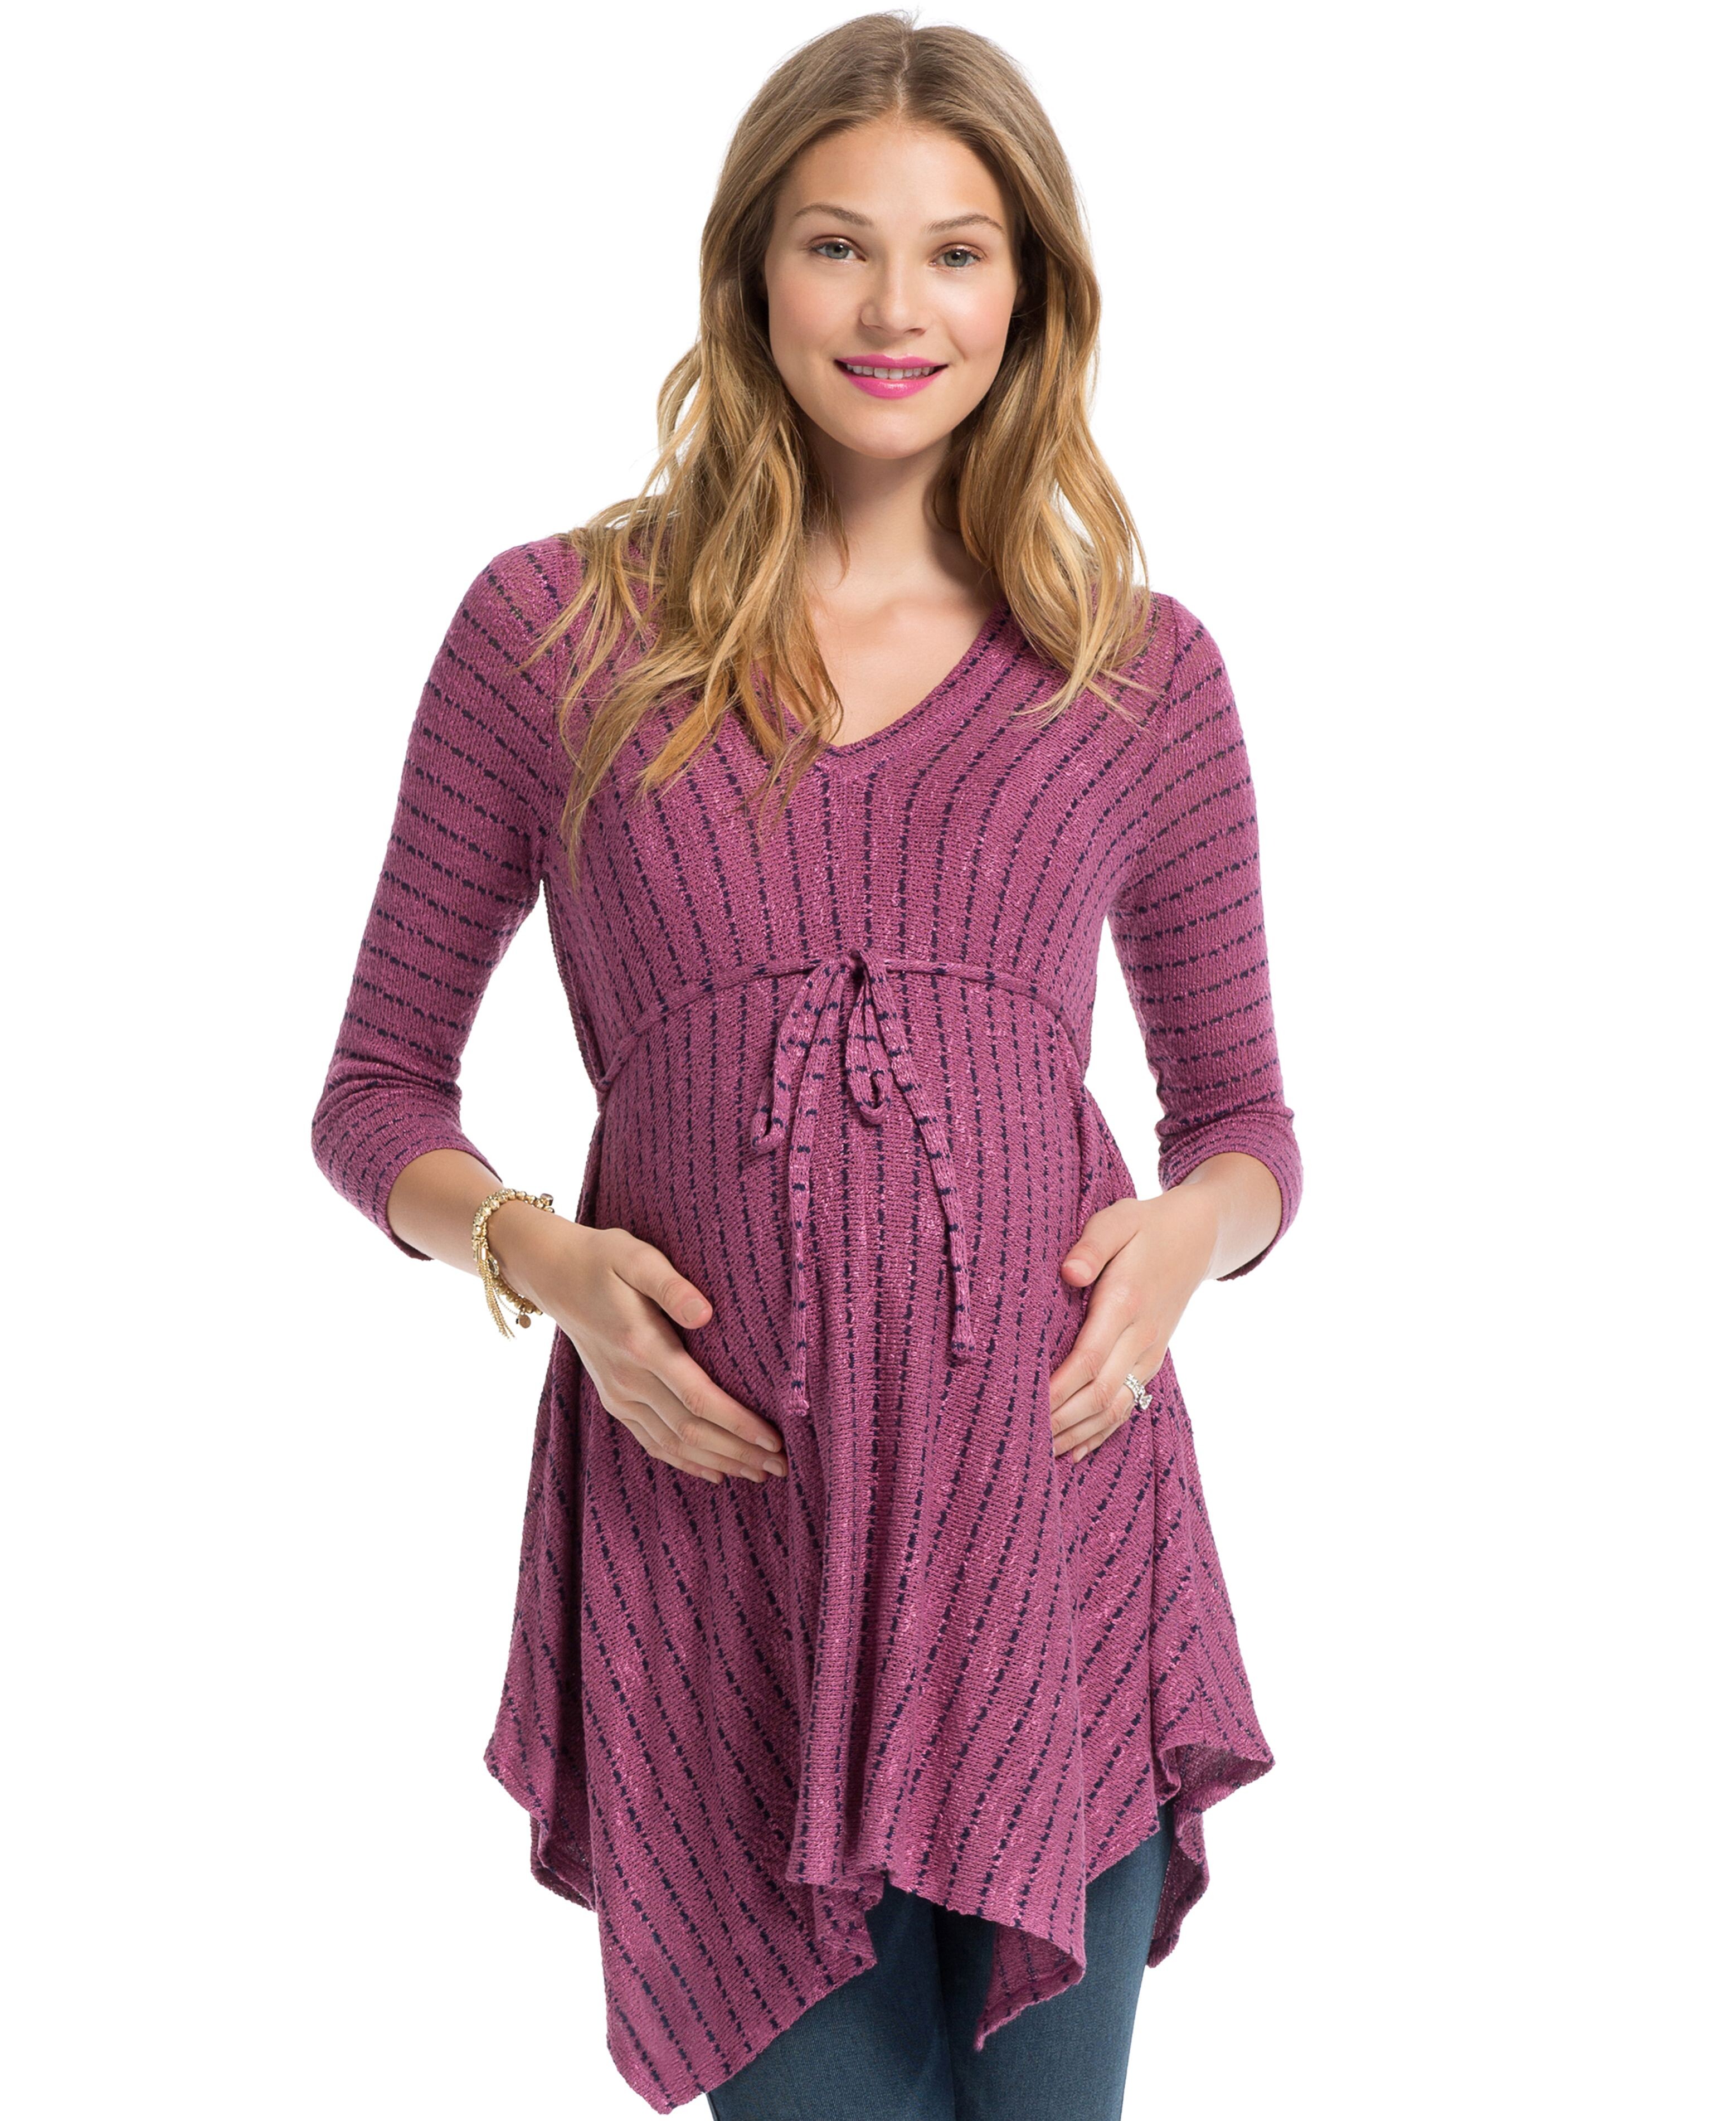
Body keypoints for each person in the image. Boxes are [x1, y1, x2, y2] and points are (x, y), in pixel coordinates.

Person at [311, 13, 1302, 2117]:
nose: (891, 310)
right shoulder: (555, 631)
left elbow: (1244, 1129)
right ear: (752, 272)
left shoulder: (1135, 672)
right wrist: (546, 1264)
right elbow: (376, 1094)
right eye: (838, 245)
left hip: (1046, 1544)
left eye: (955, 253)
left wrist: (1185, 1239)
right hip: (723, 1550)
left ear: (1027, 294)